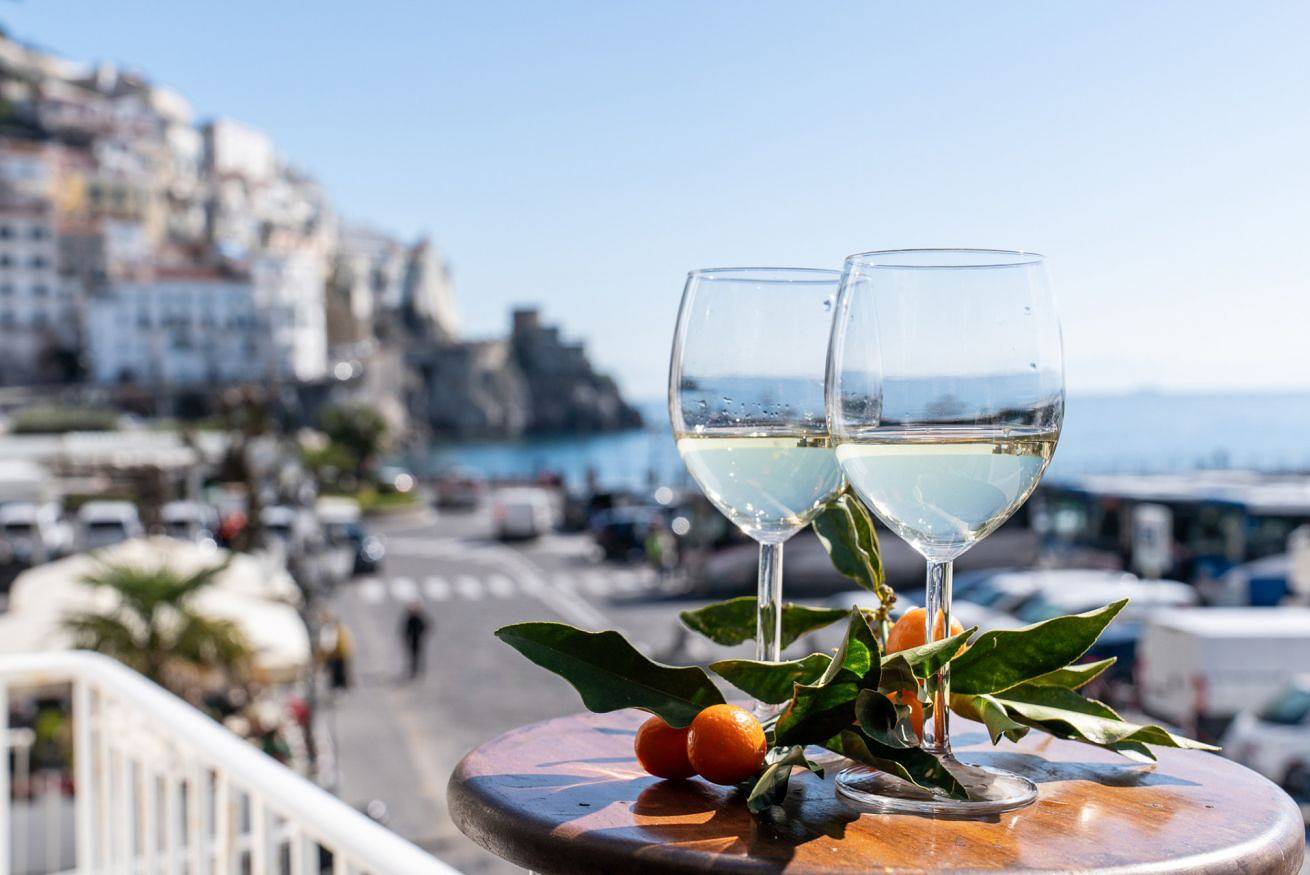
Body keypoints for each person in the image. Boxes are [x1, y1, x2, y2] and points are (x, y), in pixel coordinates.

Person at [400, 600, 431, 680]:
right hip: (412, 640)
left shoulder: (418, 618)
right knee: (413, 656)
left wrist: (420, 633)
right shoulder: (410, 618)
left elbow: (426, 626)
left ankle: (418, 671)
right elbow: (406, 629)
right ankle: (414, 671)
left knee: (418, 656)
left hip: (418, 640)